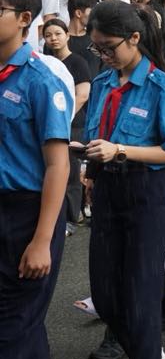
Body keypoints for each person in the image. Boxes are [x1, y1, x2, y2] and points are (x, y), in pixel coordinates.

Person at [82, 0, 165, 359]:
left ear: (134, 39)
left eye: (108, 48)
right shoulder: (105, 81)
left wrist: (120, 151)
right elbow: (93, 132)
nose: (103, 56)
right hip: (107, 190)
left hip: (147, 192)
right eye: (97, 49)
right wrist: (91, 166)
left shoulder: (164, 87)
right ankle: (151, 355)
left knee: (141, 296)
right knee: (106, 298)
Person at [0, 0, 71, 359]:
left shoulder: (42, 80)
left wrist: (42, 239)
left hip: (28, 214)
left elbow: (57, 165)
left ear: (24, 19)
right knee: (23, 323)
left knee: (8, 330)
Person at [43, 18, 93, 233]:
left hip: (74, 123)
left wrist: (61, 118)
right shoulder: (44, 63)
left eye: (58, 33)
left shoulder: (77, 62)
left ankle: (72, 217)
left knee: (71, 171)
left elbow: (82, 95)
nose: (53, 38)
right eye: (48, 35)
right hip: (51, 123)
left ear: (67, 36)